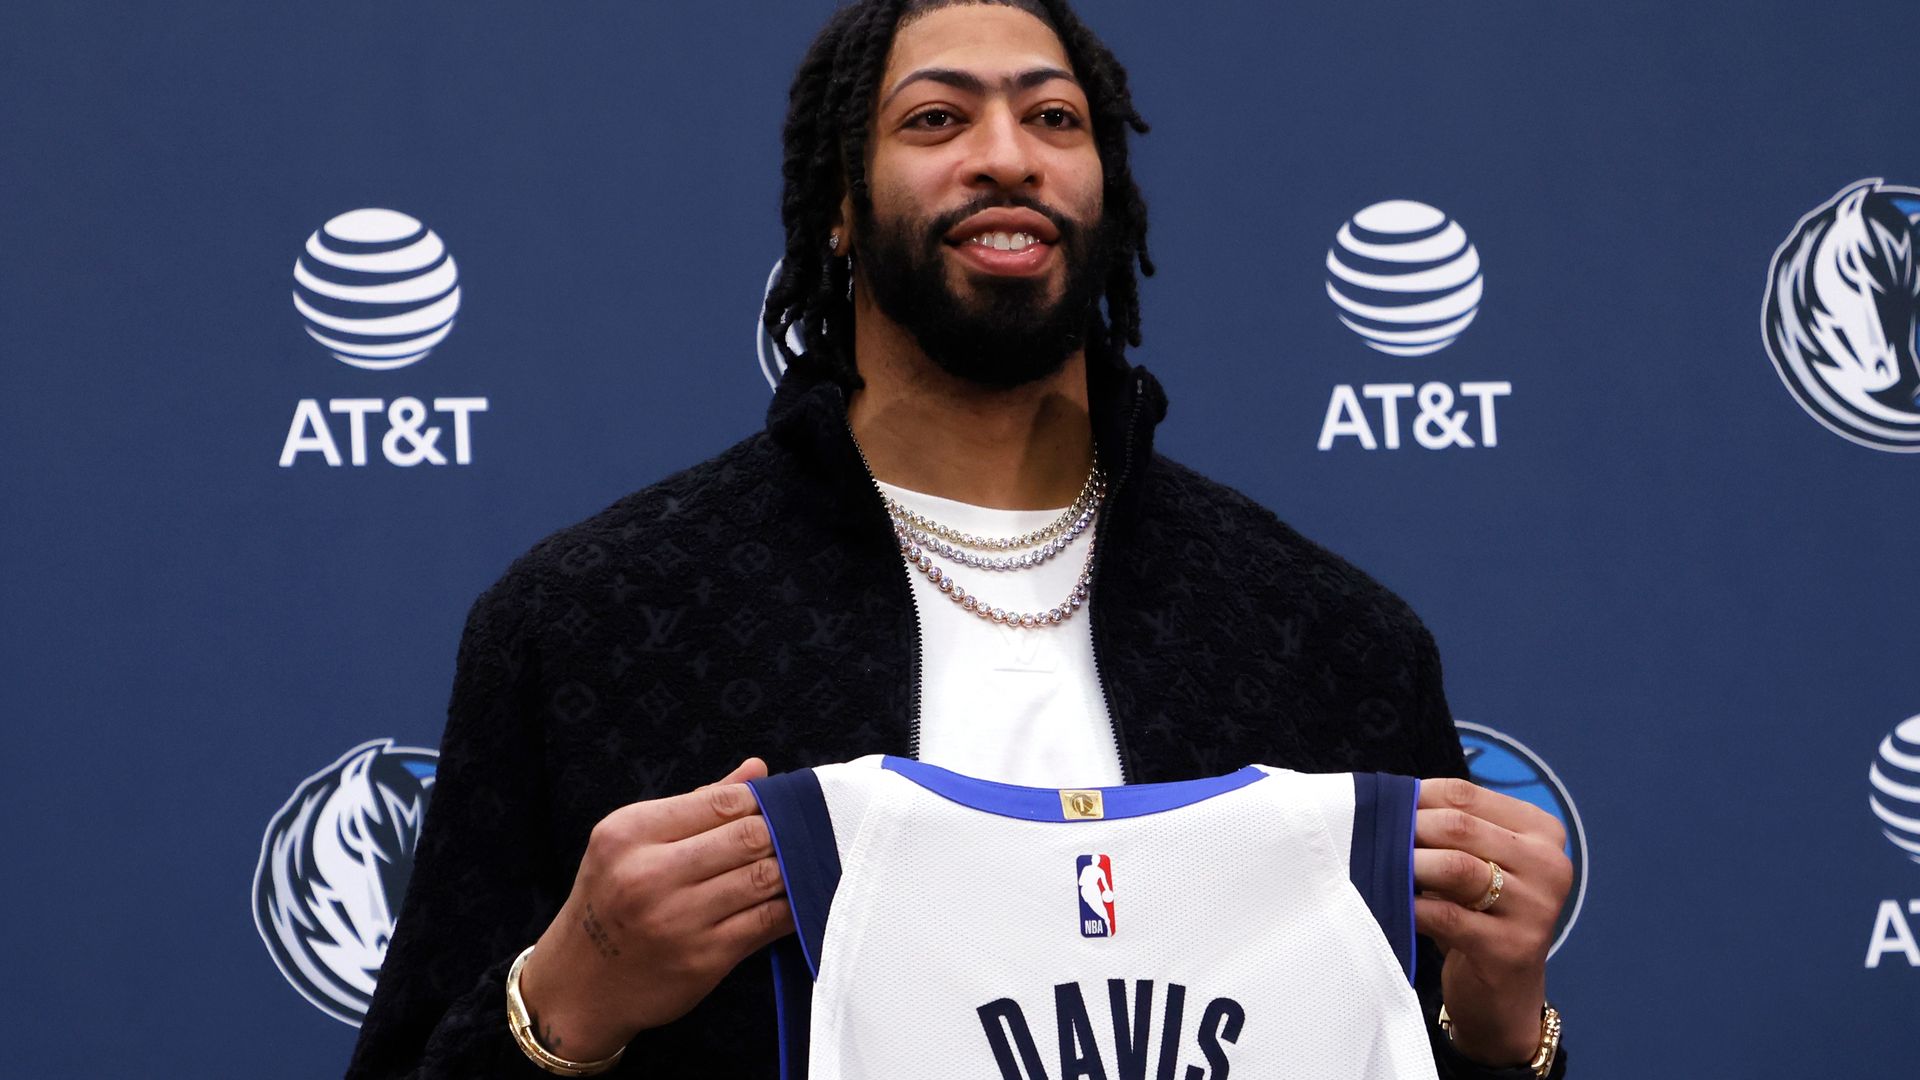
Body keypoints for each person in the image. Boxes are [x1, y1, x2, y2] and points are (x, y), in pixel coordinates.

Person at [346, 1, 1573, 1076]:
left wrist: (1503, 1032)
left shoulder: (1335, 640)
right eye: (937, 120)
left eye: (1055, 120)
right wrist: (572, 996)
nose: (1006, 158)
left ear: (1109, 192)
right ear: (839, 203)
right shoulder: (591, 625)